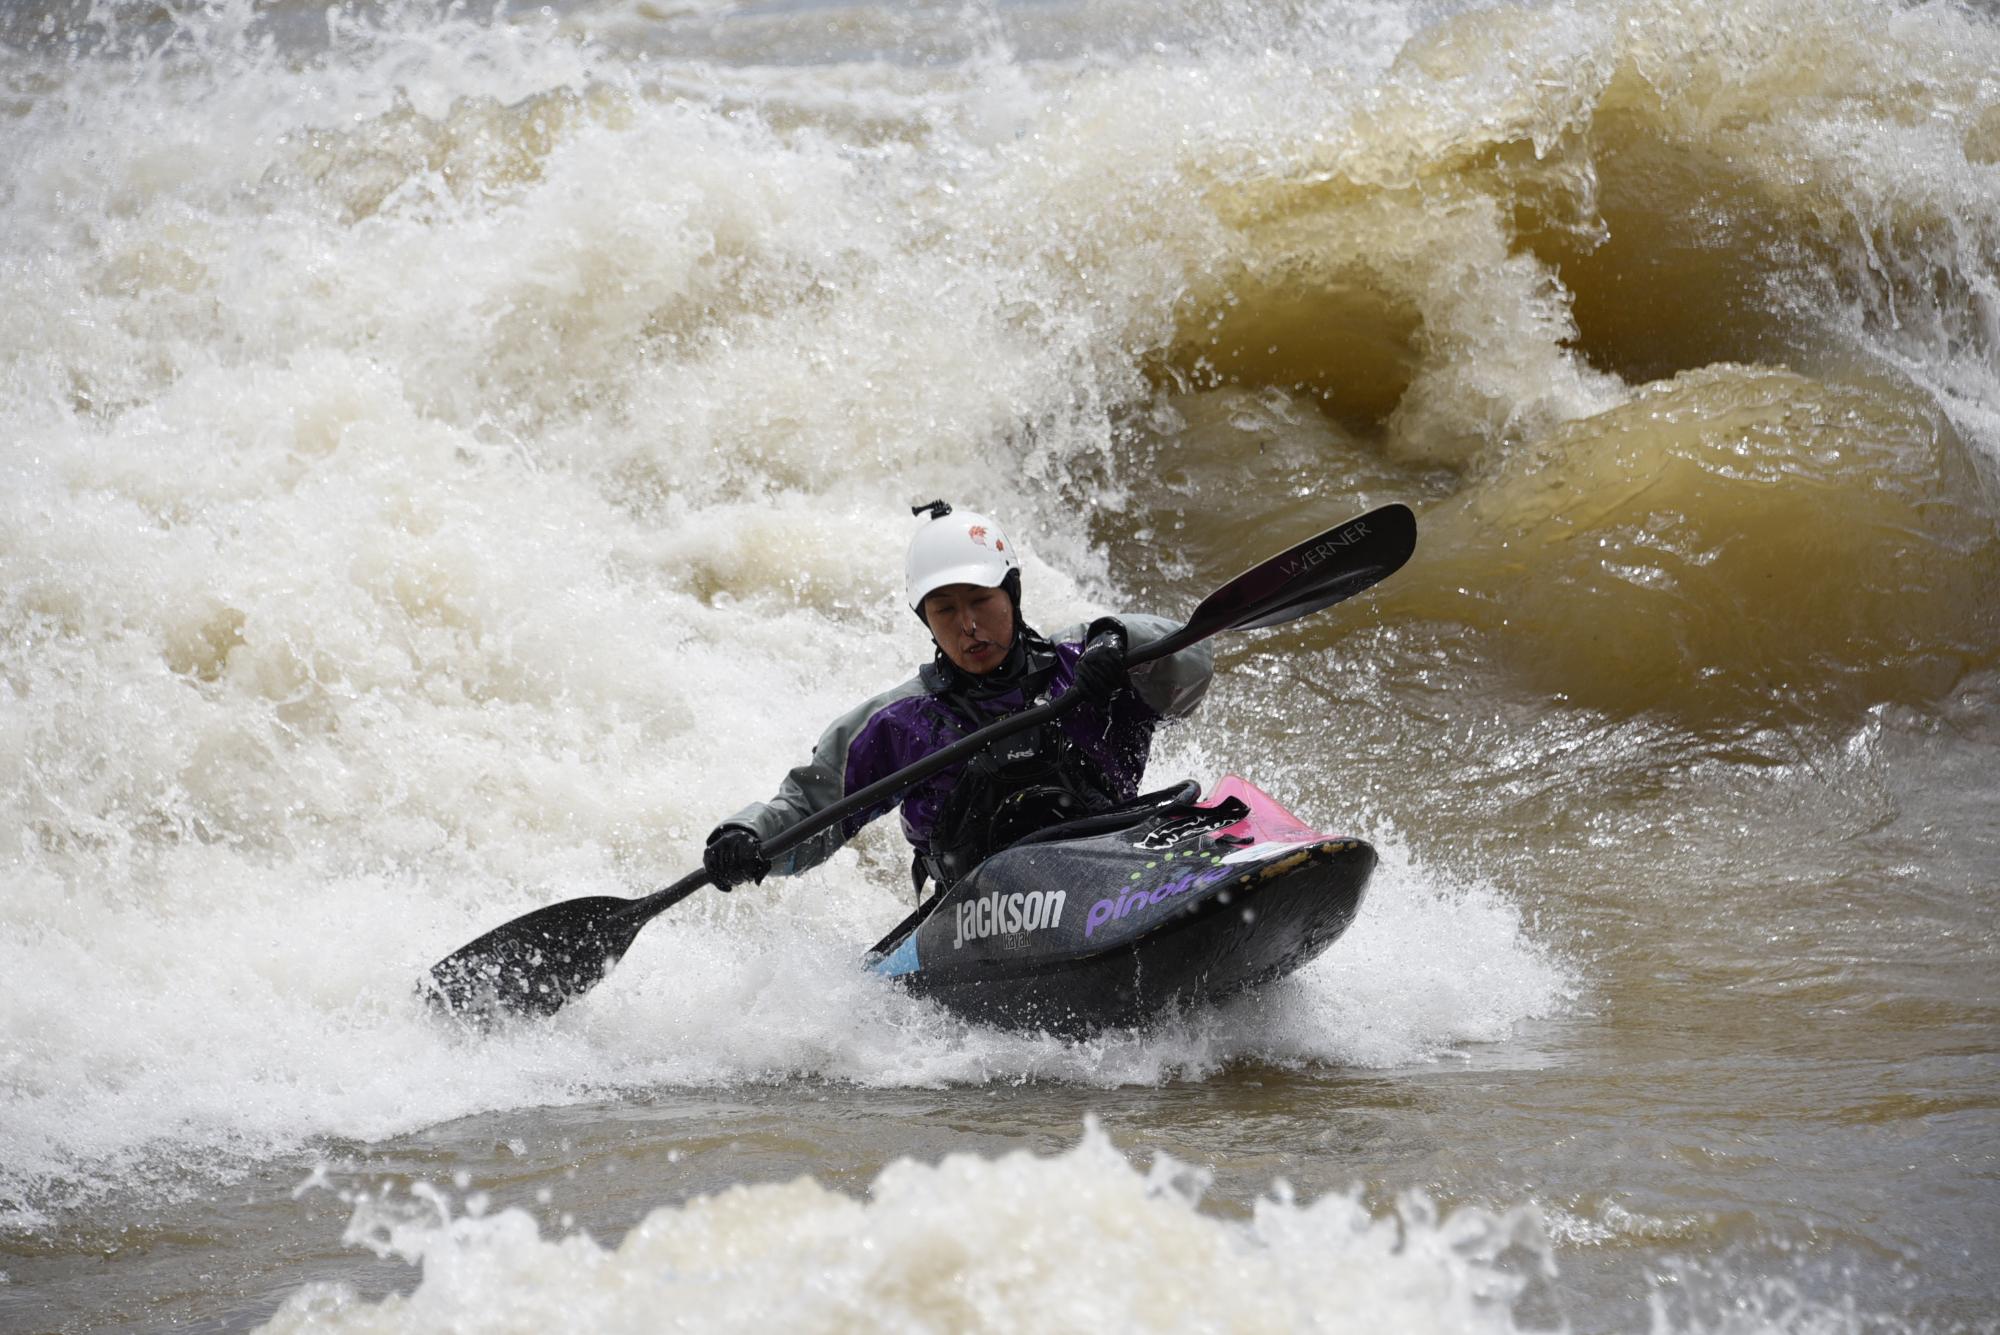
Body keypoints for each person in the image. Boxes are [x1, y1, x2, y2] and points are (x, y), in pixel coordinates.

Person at [702, 501, 1214, 896]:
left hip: (1114, 872)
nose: (968, 625)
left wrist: (1124, 643)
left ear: (1011, 594)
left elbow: (1191, 667)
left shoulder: (1085, 660)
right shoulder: (902, 722)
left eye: (980, 601)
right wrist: (748, 835)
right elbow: (808, 808)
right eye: (945, 610)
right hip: (980, 915)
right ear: (925, 620)